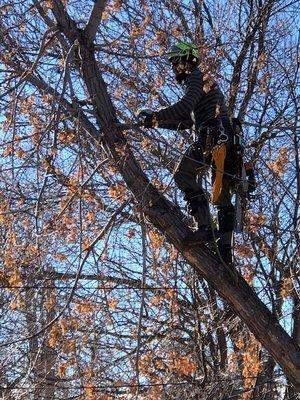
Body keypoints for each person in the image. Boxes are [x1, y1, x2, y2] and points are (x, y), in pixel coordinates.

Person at [138, 41, 236, 267]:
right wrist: (157, 123)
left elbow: (184, 106)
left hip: (212, 136)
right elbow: (185, 121)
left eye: (175, 62)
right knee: (220, 193)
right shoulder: (204, 83)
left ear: (187, 59)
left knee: (183, 175)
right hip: (224, 139)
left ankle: (205, 229)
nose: (173, 67)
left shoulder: (196, 78)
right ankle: (224, 250)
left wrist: (156, 115)